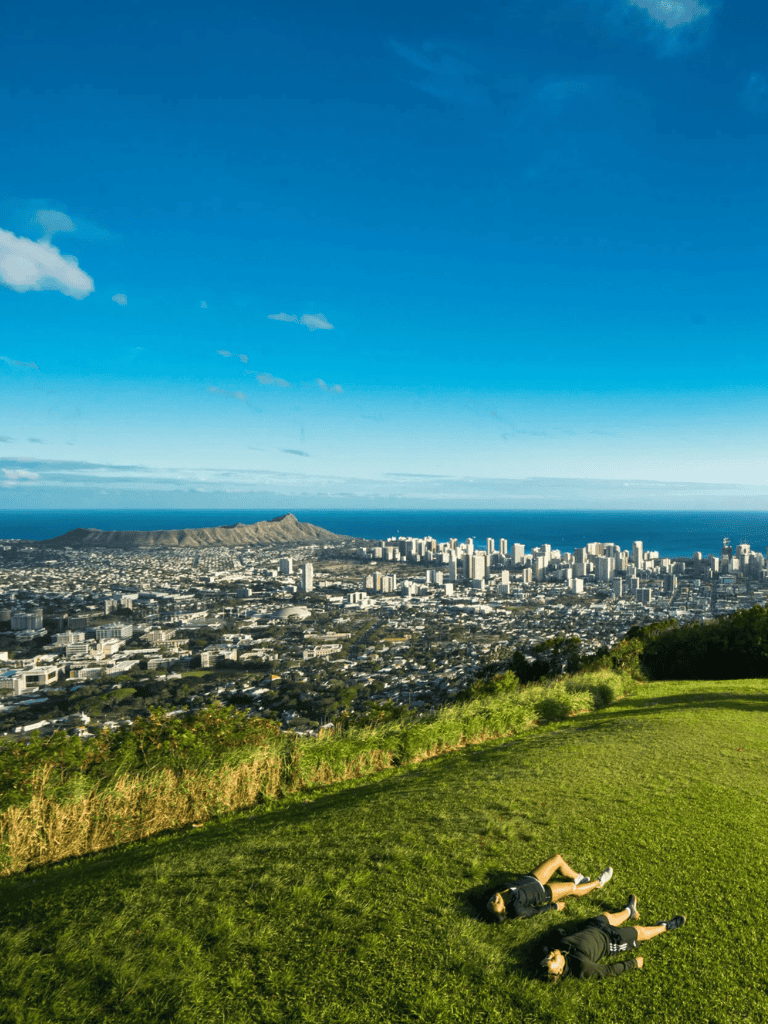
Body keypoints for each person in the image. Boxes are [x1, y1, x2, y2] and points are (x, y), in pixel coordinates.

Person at [540, 894, 686, 980]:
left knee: (606, 916)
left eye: (547, 957)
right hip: (611, 941)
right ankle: (665, 926)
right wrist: (633, 963)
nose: (550, 955)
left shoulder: (553, 949)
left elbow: (552, 942)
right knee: (637, 931)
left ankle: (630, 911)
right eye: (553, 959)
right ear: (559, 970)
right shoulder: (582, 967)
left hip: (592, 927)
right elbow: (608, 970)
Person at [486, 854, 614, 922]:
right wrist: (555, 906)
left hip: (533, 878)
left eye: (491, 901)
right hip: (544, 893)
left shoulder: (495, 891)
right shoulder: (516, 909)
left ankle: (578, 877)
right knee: (572, 888)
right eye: (497, 903)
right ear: (504, 909)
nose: (494, 899)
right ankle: (599, 882)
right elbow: (536, 911)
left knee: (557, 859)